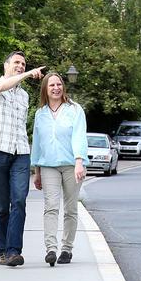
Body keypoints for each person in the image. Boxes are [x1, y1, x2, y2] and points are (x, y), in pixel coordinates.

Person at [0, 50, 44, 267]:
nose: (20, 66)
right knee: (1, 205)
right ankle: (3, 250)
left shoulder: (24, 96)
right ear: (6, 65)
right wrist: (28, 74)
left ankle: (13, 251)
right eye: (17, 62)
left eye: (23, 63)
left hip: (20, 153)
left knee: (18, 200)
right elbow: (1, 87)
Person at [31, 71, 88, 267]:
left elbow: (79, 135)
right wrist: (37, 171)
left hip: (72, 164)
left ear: (63, 87)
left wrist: (79, 161)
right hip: (48, 165)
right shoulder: (40, 114)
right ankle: (51, 249)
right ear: (45, 89)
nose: (56, 88)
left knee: (71, 208)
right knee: (51, 206)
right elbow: (37, 143)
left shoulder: (74, 109)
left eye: (59, 84)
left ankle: (67, 248)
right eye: (51, 85)